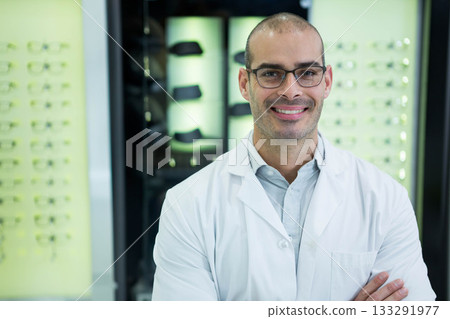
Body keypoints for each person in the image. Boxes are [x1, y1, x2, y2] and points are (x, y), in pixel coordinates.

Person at [152, 12, 435, 301]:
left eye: (308, 73)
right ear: (243, 84)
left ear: (326, 82)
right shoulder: (187, 205)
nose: (290, 91)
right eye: (271, 73)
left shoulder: (385, 199)